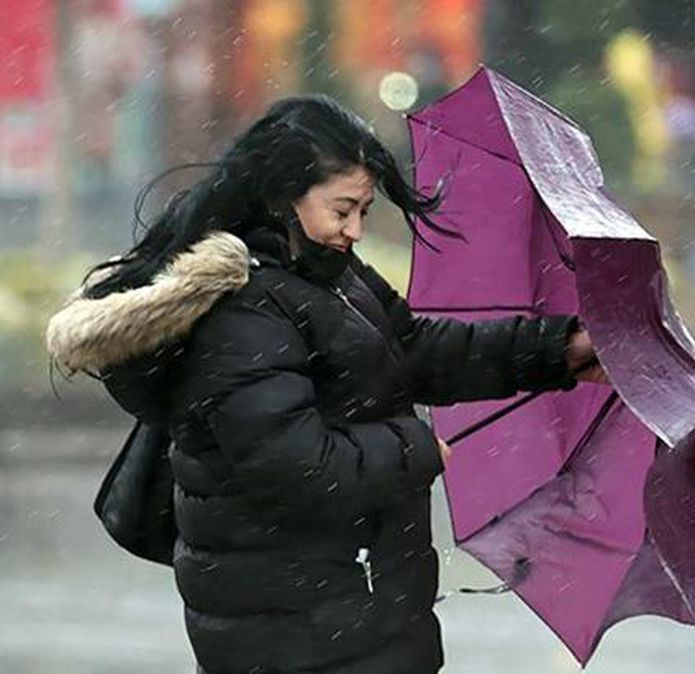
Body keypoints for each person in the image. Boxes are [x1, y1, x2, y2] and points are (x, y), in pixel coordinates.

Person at [45, 95, 605, 673]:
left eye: (363, 211)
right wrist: (414, 449)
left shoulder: (327, 276)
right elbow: (297, 464)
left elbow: (414, 350)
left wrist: (557, 351)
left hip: (352, 614)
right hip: (294, 630)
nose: (355, 230)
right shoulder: (242, 312)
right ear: (284, 195)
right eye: (342, 210)